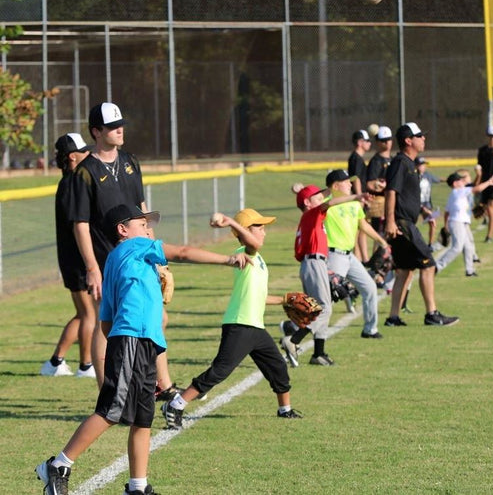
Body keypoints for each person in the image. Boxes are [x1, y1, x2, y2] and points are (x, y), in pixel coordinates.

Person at [36, 204, 250, 495]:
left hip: (138, 341)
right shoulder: (135, 247)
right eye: (141, 223)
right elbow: (183, 253)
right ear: (122, 230)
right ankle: (58, 464)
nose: (148, 229)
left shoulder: (115, 261)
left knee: (142, 418)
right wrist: (227, 259)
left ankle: (137, 487)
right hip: (133, 339)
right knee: (111, 410)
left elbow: (107, 321)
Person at [161, 208, 303, 429]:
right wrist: (231, 223)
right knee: (220, 371)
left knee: (278, 367)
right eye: (260, 228)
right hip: (240, 324)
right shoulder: (246, 252)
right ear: (245, 231)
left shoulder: (259, 259)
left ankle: (284, 409)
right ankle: (175, 404)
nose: (264, 232)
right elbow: (253, 245)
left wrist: (285, 299)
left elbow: (259, 296)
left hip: (255, 326)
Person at [69, 102, 174, 394]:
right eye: (112, 126)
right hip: (106, 257)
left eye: (121, 125)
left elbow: (141, 210)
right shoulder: (85, 172)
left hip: (138, 254)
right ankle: (108, 391)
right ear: (96, 132)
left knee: (158, 316)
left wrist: (156, 254)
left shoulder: (130, 161)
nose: (120, 129)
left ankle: (158, 383)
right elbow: (80, 223)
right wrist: (92, 268)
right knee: (108, 317)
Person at [280, 184, 370, 367]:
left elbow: (325, 196)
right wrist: (356, 196)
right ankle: (293, 340)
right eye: (318, 198)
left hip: (314, 263)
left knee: (321, 307)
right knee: (324, 308)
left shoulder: (309, 218)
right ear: (307, 202)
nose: (323, 200)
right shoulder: (312, 214)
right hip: (314, 263)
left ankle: (318, 354)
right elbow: (330, 202)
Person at [384, 122, 459, 327]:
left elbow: (405, 195)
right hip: (402, 224)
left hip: (405, 221)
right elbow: (391, 191)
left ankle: (393, 317)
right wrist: (390, 220)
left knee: (405, 270)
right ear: (408, 140)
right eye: (419, 136)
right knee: (429, 264)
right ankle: (432, 314)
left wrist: (423, 210)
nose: (423, 138)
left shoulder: (410, 163)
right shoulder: (401, 162)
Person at [40, 133, 97, 378]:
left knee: (83, 313)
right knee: (89, 315)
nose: (89, 154)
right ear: (73, 157)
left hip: (73, 260)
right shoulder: (73, 183)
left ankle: (54, 362)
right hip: (77, 262)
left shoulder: (69, 182)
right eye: (84, 151)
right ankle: (86, 365)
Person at [324, 170, 391, 343]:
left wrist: (381, 241)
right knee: (327, 299)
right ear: (336, 186)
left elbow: (362, 225)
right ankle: (293, 326)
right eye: (346, 182)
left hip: (349, 256)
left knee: (369, 287)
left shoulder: (354, 203)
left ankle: (370, 329)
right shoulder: (326, 204)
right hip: (333, 255)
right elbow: (316, 202)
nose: (351, 184)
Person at [436, 171, 493, 277]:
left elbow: (446, 212)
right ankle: (437, 266)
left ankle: (470, 270)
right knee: (457, 248)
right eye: (459, 180)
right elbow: (476, 189)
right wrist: (488, 182)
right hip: (457, 222)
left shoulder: (455, 195)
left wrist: (446, 226)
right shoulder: (458, 191)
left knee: (468, 247)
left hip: (460, 222)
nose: (462, 180)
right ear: (454, 184)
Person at [347, 129, 372, 263]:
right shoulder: (355, 158)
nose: (369, 144)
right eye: (367, 141)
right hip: (357, 198)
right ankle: (357, 258)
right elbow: (355, 178)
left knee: (362, 228)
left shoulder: (358, 158)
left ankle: (364, 258)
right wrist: (359, 197)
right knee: (357, 230)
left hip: (359, 197)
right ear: (360, 142)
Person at [365, 126, 393, 237]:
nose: (387, 142)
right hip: (380, 203)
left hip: (390, 203)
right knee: (380, 237)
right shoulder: (376, 161)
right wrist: (382, 185)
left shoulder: (393, 159)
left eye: (389, 139)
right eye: (383, 140)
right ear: (378, 142)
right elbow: (369, 184)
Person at [416, 156, 442, 249]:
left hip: (426, 204)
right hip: (414, 204)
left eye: (424, 165)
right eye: (421, 165)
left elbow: (439, 179)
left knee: (432, 222)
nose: (423, 167)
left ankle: (430, 244)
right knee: (411, 225)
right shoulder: (413, 176)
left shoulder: (428, 175)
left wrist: (452, 180)